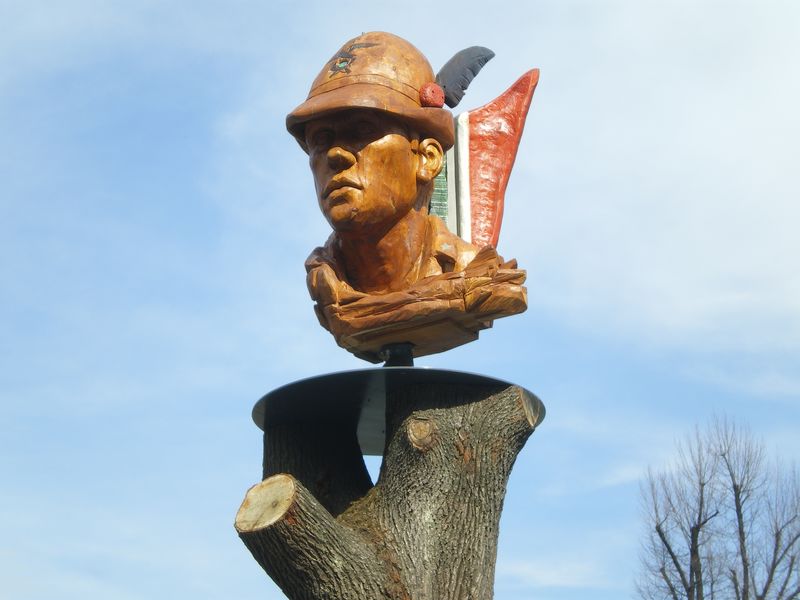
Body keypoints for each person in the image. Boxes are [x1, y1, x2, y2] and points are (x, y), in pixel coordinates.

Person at [286, 32, 526, 362]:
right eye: (321, 139)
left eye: (363, 130)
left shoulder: (474, 273)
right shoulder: (326, 284)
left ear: (427, 158)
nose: (335, 154)